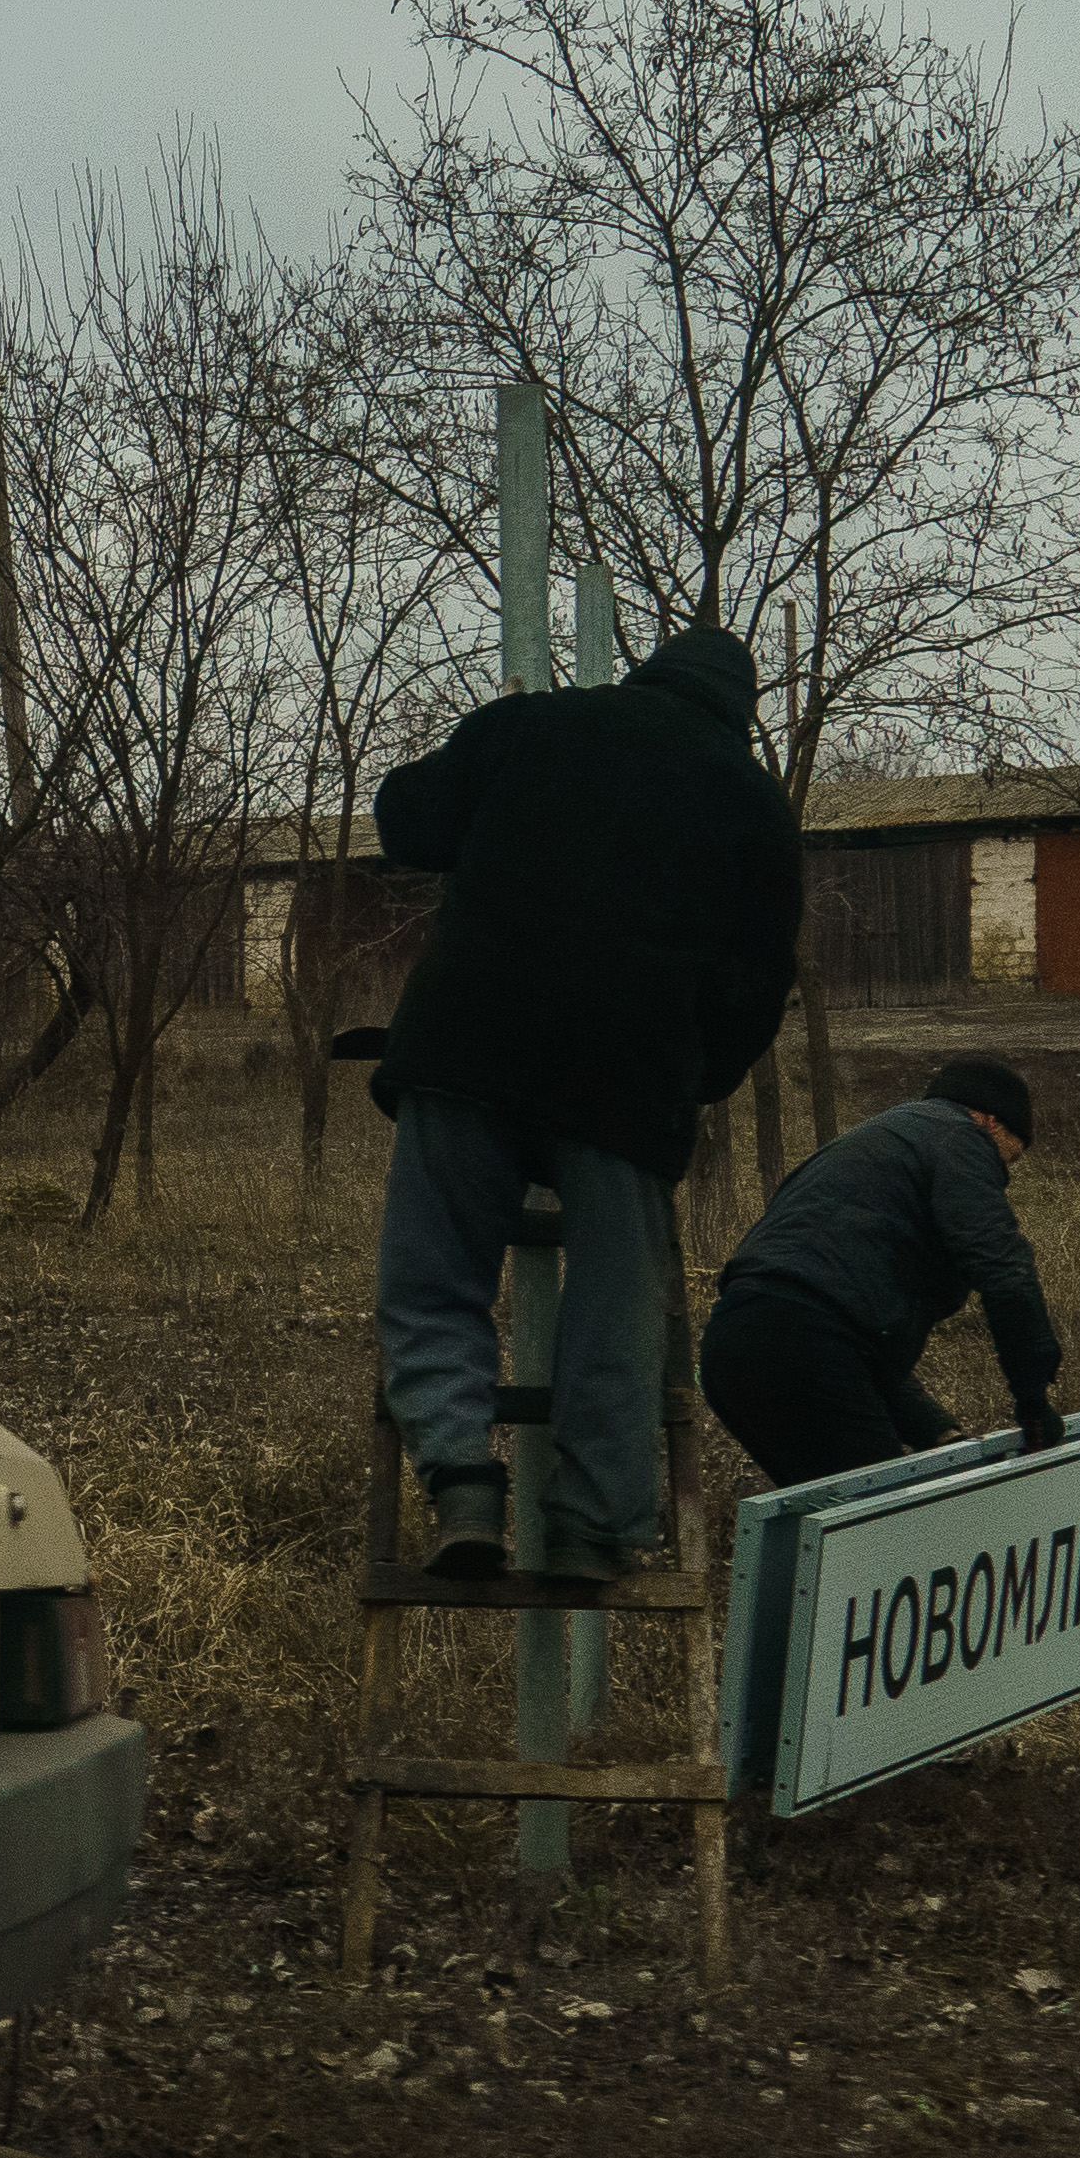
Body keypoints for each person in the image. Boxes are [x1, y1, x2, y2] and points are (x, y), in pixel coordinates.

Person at [363, 623, 804, 1579]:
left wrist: (487, 746)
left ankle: (461, 1491)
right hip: (625, 1078)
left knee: (432, 1276)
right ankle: (588, 1530)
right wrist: (695, 1079)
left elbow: (406, 820)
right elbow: (759, 986)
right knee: (618, 1305)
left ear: (648, 674)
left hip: (465, 1045)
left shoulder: (537, 724)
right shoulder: (753, 803)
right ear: (743, 710)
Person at [701, 1053, 1065, 1487]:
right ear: (988, 1121)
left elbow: (848, 1330)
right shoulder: (961, 1140)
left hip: (732, 1345)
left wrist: (936, 1433)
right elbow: (1007, 1275)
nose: (1004, 1174)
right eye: (1011, 1160)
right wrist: (1032, 1400)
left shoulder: (876, 1143)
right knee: (883, 1536)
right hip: (806, 1346)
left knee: (829, 1524)